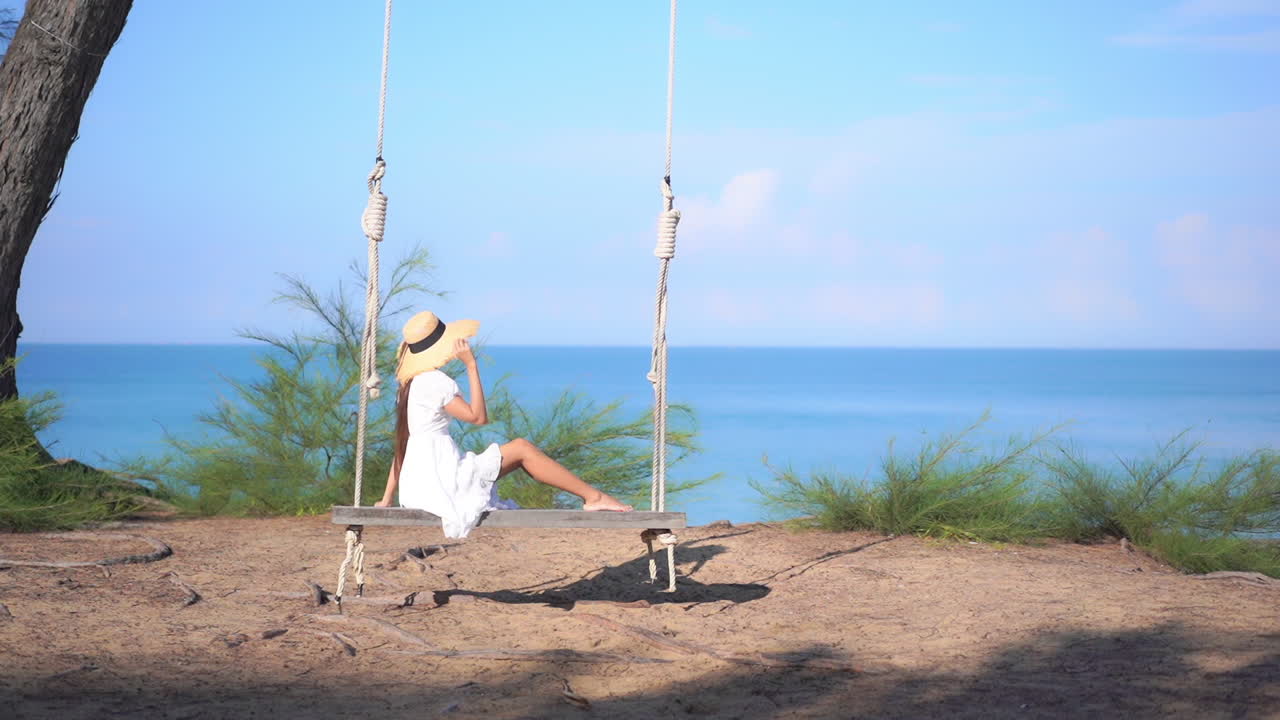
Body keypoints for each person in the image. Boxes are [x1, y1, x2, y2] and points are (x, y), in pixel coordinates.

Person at [375, 311, 632, 537]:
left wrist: (388, 498)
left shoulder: (408, 387)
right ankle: (593, 497)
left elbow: (403, 446)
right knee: (521, 448)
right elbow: (478, 417)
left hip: (418, 488)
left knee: (519, 452)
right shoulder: (433, 382)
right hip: (444, 481)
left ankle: (593, 496)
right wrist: (471, 365)